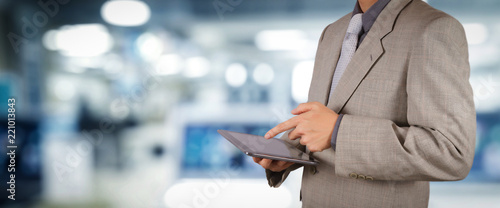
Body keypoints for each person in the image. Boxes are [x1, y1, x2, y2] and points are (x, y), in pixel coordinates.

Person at [253, 0, 476, 207]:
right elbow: (325, 121)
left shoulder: (433, 28)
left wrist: (339, 132)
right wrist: (290, 152)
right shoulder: (332, 33)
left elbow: (451, 152)